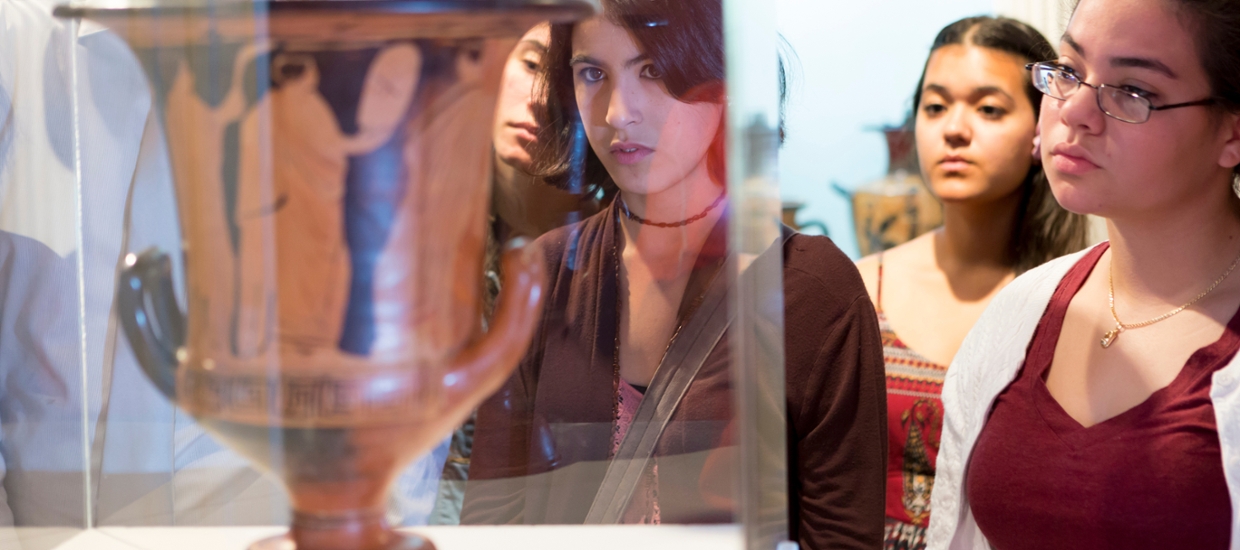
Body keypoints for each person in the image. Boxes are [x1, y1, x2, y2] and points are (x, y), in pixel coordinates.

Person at [460, 0, 888, 548]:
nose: (618, 112)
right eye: (593, 73)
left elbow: (843, 537)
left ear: (725, 77)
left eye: (654, 70)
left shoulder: (812, 290)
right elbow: (493, 523)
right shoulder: (544, 274)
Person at [928, 0, 1240, 548]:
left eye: (1133, 91)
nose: (1074, 111)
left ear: (1232, 132)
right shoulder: (1021, 310)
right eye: (1068, 71)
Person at [853, 16, 1089, 550]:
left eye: (988, 109)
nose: (954, 129)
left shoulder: (1073, 301)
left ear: (1040, 130)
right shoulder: (863, 289)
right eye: (935, 106)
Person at [425, 22, 605, 526]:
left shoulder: (614, 247)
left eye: (569, 79)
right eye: (530, 64)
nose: (541, 99)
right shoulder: (415, 223)